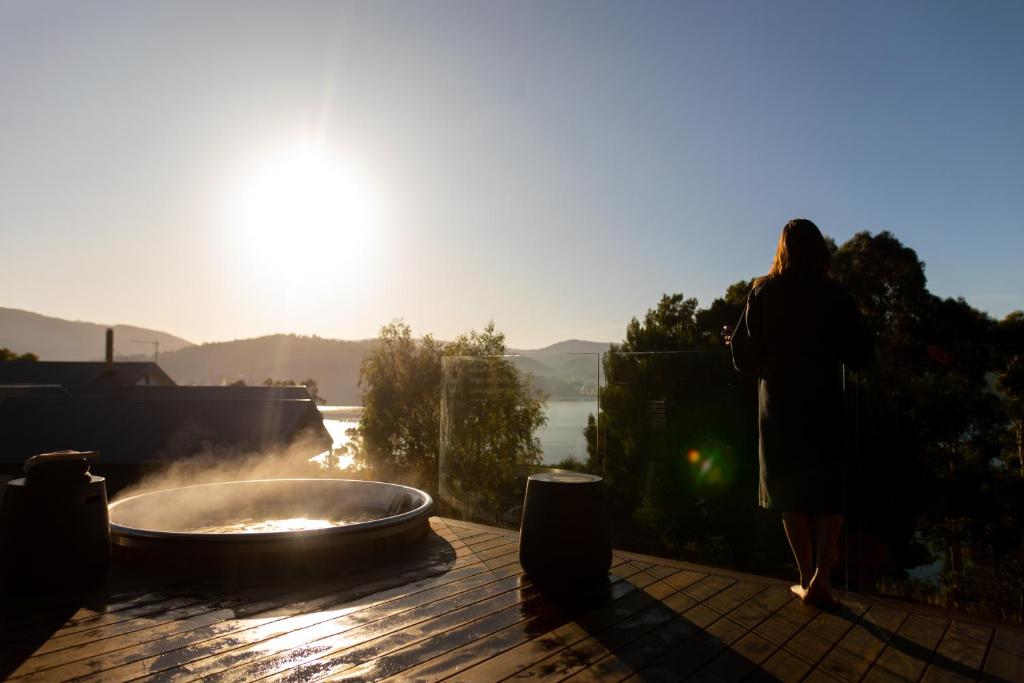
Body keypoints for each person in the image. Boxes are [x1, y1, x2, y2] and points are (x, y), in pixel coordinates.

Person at [730, 218, 872, 608]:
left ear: (782, 249)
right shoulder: (836, 294)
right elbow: (860, 353)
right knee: (829, 489)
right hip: (826, 402)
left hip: (780, 407)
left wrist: (739, 340)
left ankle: (803, 577)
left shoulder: (763, 292)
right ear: (821, 249)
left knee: (790, 491)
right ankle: (822, 577)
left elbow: (744, 358)